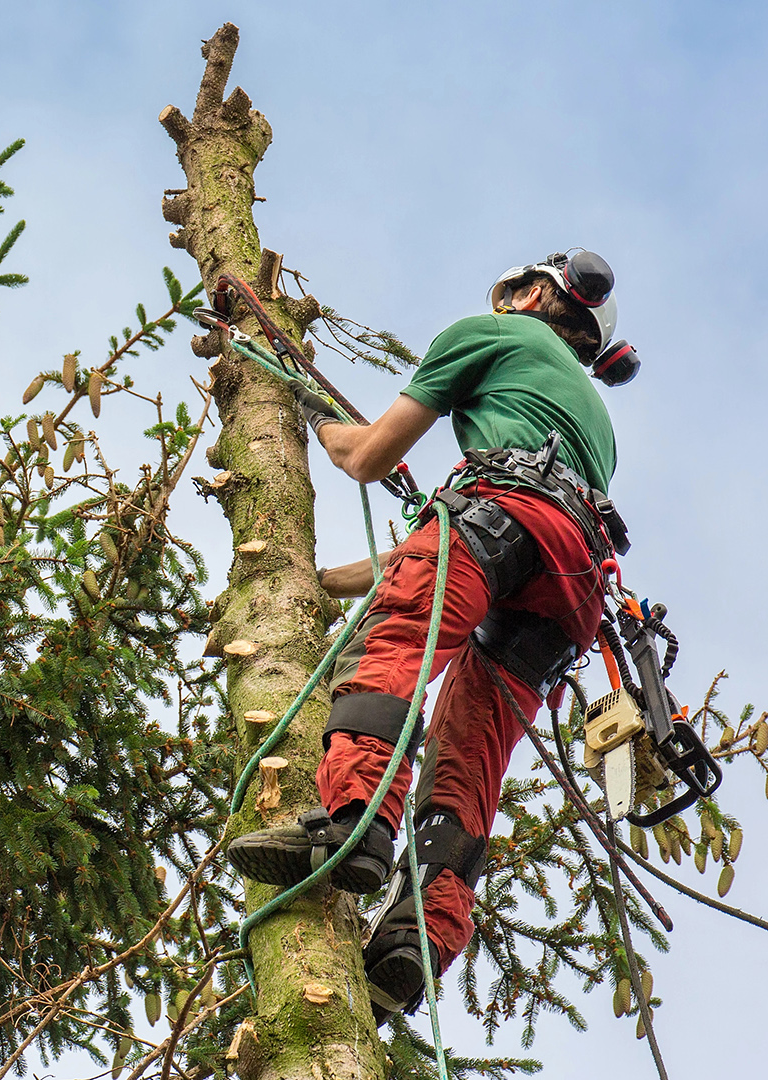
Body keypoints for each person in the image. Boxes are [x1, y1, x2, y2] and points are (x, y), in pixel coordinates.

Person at [224, 250, 638, 1019]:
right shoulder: (592, 420)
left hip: (498, 519)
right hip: (570, 587)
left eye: (516, 288)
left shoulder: (490, 332)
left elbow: (370, 457)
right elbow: (457, 550)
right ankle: (420, 936)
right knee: (470, 753)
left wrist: (314, 412)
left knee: (391, 647)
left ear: (531, 294)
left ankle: (353, 822)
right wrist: (319, 582)